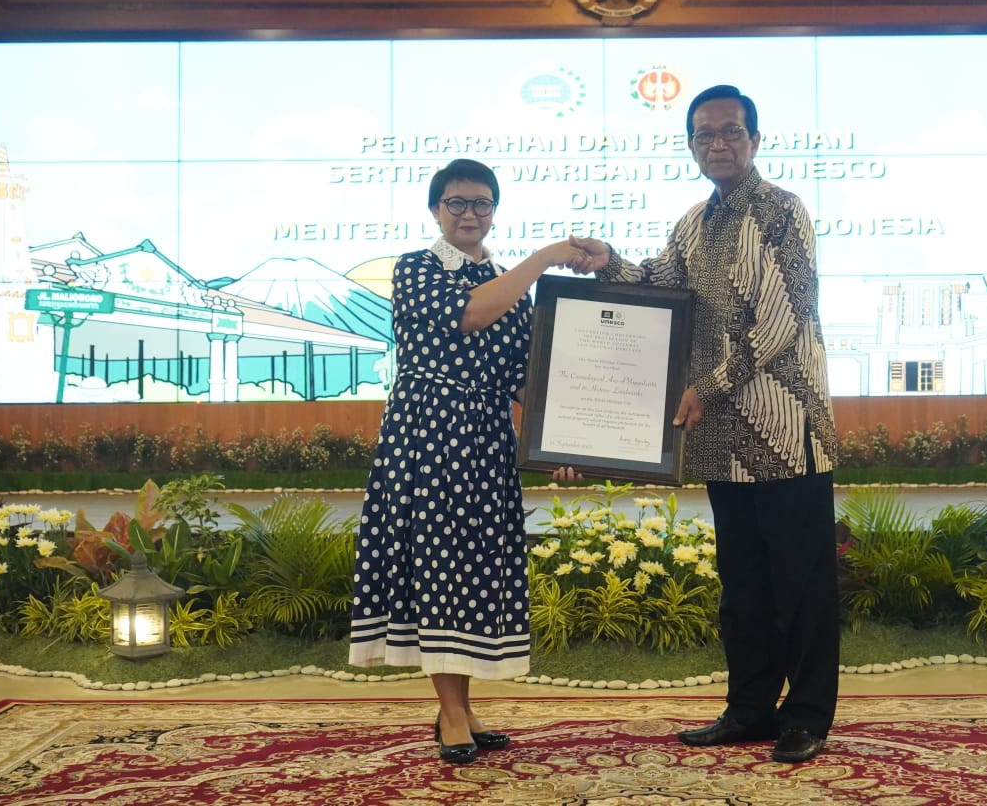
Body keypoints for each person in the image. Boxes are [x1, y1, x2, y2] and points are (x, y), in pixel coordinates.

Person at [569, 84, 840, 764]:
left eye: (731, 131)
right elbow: (661, 284)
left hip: (786, 430)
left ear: (755, 139)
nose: (718, 143)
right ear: (692, 146)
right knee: (743, 585)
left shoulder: (784, 211)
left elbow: (784, 319)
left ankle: (807, 715)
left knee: (801, 583)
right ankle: (749, 709)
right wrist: (608, 264)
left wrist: (708, 386)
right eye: (705, 134)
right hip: (722, 438)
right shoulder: (693, 223)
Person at [348, 158, 581, 765]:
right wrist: (547, 255)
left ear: (494, 211)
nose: (469, 214)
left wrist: (562, 442)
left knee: (473, 570)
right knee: (436, 567)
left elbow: (522, 380)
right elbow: (470, 313)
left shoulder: (506, 282)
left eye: (482, 203)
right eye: (457, 203)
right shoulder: (416, 268)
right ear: (436, 210)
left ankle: (463, 709)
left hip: (486, 441)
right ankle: (451, 713)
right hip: (428, 434)